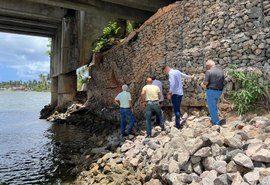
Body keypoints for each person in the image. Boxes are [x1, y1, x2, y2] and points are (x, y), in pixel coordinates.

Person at [201, 59, 225, 125]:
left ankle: (216, 124)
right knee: (215, 106)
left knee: (212, 108)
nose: (206, 68)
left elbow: (205, 83)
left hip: (211, 91)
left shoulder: (209, 72)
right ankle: (217, 119)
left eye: (206, 66)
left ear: (209, 66)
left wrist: (202, 84)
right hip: (219, 92)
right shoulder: (221, 71)